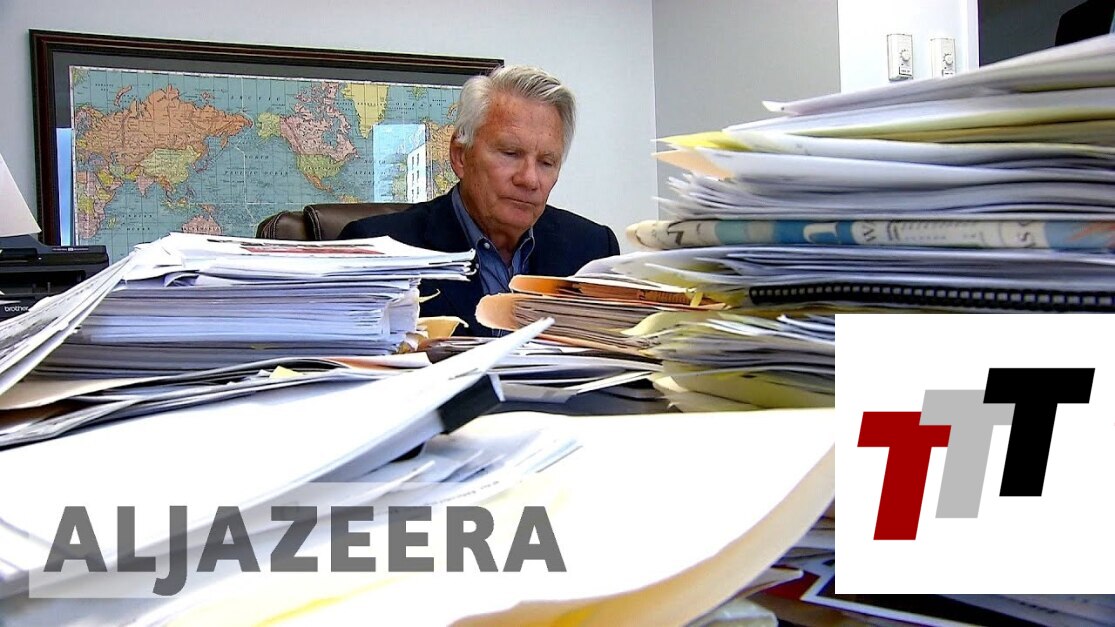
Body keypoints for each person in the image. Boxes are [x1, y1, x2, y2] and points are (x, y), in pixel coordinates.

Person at [340, 64, 620, 336]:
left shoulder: (592, 250)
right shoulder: (377, 253)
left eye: (547, 162)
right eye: (510, 153)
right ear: (461, 156)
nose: (530, 179)